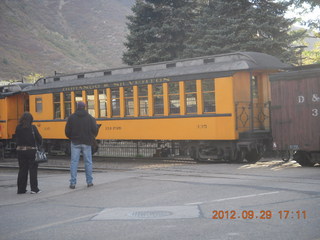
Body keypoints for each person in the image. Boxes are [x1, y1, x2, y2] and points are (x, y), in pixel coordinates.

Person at [65, 101, 98, 189]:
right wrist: (91, 137)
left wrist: (72, 137)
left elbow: (67, 131)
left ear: (77, 107)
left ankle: (72, 183)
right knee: (88, 162)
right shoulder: (90, 118)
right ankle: (89, 182)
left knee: (74, 162)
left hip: (75, 142)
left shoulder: (71, 118)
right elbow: (95, 129)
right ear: (85, 107)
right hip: (87, 142)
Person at [15, 112, 42, 194]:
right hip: (31, 151)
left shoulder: (18, 128)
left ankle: (21, 189)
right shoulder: (33, 128)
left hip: (20, 151)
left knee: (22, 170)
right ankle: (34, 189)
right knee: (33, 170)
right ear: (31, 119)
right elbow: (39, 139)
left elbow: (16, 139)